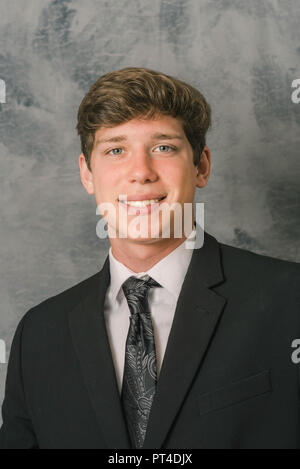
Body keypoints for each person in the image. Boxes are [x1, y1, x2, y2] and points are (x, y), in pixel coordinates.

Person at [0, 67, 299, 449]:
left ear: (201, 165)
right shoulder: (39, 336)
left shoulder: (290, 301)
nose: (140, 172)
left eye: (163, 147)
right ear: (87, 174)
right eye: (116, 150)